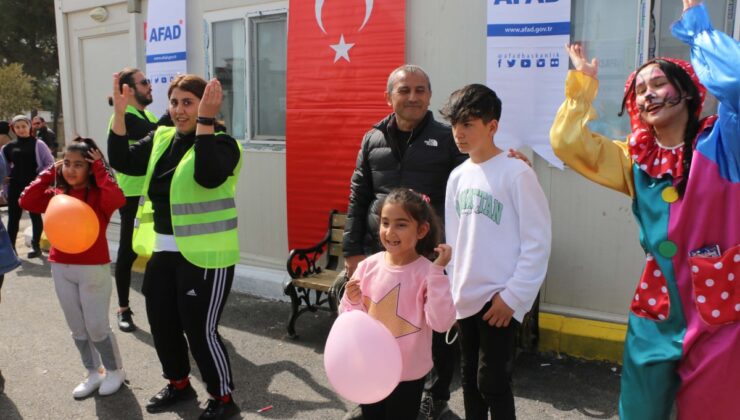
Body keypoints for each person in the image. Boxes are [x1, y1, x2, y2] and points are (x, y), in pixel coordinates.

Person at [549, 1, 738, 419]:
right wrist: (582, 86)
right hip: (656, 312)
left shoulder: (724, 142)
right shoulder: (636, 161)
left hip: (719, 316)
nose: (648, 94)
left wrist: (699, 31)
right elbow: (568, 144)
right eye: (639, 90)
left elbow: (737, 82)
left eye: (658, 83)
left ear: (687, 90)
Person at [108, 73, 243, 420]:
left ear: (206, 105)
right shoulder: (162, 138)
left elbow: (207, 175)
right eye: (174, 102)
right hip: (164, 251)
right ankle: (179, 384)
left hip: (206, 257)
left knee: (200, 330)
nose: (180, 110)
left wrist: (207, 123)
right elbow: (122, 161)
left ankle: (223, 399)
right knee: (163, 322)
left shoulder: (225, 144)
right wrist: (120, 115)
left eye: (188, 102)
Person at [342, 64, 465, 420]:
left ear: (429, 95)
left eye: (421, 90)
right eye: (404, 90)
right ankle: (374, 389)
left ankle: (434, 395)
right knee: (378, 323)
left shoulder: (446, 138)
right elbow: (358, 195)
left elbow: (474, 174)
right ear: (389, 96)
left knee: (434, 331)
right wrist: (352, 250)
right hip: (381, 252)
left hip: (428, 255)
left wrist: (506, 159)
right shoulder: (372, 138)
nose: (413, 97)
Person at [442, 84, 551, 420]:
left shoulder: (516, 172)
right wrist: (452, 288)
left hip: (499, 299)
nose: (459, 133)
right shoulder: (458, 176)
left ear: (492, 126)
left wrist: (514, 296)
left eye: (468, 124)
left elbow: (538, 241)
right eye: (455, 125)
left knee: (493, 382)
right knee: (471, 385)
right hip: (466, 296)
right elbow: (455, 239)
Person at [19, 137, 127, 398]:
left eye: (79, 164)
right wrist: (50, 171)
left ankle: (115, 371)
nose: (71, 169)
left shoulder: (100, 194)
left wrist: (101, 168)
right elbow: (26, 200)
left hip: (93, 267)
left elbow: (118, 198)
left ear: (90, 167)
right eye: (66, 163)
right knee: (77, 327)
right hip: (60, 266)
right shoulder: (56, 192)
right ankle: (93, 372)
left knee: (96, 326)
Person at [340, 188, 456, 420]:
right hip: (371, 367)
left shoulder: (427, 273)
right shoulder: (368, 266)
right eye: (385, 223)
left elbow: (442, 323)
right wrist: (352, 301)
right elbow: (350, 320)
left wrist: (436, 274)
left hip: (408, 374)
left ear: (422, 230)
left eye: (401, 224)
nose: (390, 232)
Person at [106, 67, 159, 334]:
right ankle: (123, 309)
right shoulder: (122, 116)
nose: (150, 86)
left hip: (153, 193)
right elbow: (155, 131)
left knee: (155, 250)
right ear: (129, 89)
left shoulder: (147, 114)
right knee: (128, 251)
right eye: (145, 82)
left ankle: (160, 307)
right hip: (131, 195)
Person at [1, 115, 54, 258]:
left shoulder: (39, 144)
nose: (21, 129)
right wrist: (4, 181)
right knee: (13, 218)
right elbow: (4, 168)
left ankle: (35, 246)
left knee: (35, 216)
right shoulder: (8, 147)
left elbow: (50, 163)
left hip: (33, 186)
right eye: (17, 127)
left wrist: (40, 177)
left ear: (29, 126)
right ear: (13, 129)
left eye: (24, 126)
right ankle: (12, 249)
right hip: (15, 186)